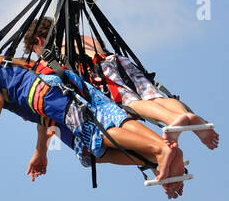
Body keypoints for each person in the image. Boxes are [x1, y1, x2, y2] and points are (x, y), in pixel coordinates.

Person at [0, 41, 187, 199]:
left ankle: (160, 150)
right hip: (47, 103)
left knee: (99, 132)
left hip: (48, 94)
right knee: (90, 151)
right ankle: (153, 158)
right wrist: (41, 151)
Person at [20, 18, 218, 150]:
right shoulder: (82, 38)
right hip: (119, 62)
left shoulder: (52, 54)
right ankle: (185, 115)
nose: (38, 54)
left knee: (130, 104)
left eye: (35, 50)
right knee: (155, 97)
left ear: (38, 41)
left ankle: (171, 121)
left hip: (100, 72)